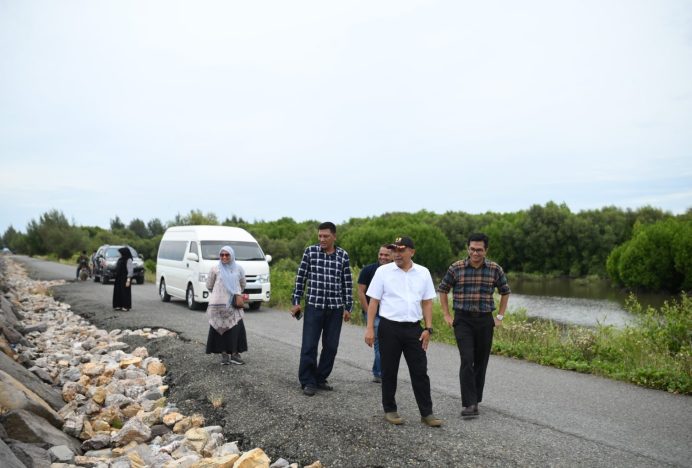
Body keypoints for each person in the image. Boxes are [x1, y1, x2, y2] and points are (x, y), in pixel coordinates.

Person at [364, 236, 442, 427]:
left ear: (411, 252)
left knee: (420, 371)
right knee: (389, 370)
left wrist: (428, 328)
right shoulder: (383, 272)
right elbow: (373, 302)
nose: (397, 254)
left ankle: (427, 413)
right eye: (395, 250)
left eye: (401, 250)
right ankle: (390, 410)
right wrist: (369, 329)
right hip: (389, 327)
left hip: (414, 329)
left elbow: (427, 302)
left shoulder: (423, 273)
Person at [437, 232, 510, 419]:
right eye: (472, 249)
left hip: (485, 320)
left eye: (479, 250)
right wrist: (446, 314)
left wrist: (500, 316)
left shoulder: (495, 269)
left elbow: (505, 292)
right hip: (462, 320)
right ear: (467, 248)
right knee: (467, 359)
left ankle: (475, 399)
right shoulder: (457, 268)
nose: (475, 253)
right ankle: (469, 404)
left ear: (486, 250)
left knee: (481, 361)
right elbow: (443, 290)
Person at [291, 221, 353, 396]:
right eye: (320, 236)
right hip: (314, 307)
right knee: (309, 345)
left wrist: (348, 307)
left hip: (335, 309)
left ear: (334, 236)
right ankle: (307, 381)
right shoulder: (310, 252)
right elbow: (300, 278)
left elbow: (347, 283)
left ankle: (320, 377)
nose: (322, 239)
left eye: (326, 236)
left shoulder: (343, 255)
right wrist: (296, 301)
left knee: (331, 346)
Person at [205, 246, 248, 365]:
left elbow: (243, 284)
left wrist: (234, 292)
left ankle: (234, 354)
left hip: (233, 305)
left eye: (227, 255)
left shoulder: (238, 269)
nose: (224, 257)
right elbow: (209, 285)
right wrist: (220, 293)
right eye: (222, 255)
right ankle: (224, 355)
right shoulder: (215, 269)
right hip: (218, 306)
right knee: (220, 331)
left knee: (235, 329)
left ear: (232, 255)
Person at [357, 244, 392, 383]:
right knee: (380, 344)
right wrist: (368, 313)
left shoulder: (395, 271)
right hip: (373, 314)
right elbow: (361, 292)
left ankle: (378, 371)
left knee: (387, 344)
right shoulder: (368, 270)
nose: (383, 257)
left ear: (392, 256)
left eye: (386, 255)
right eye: (381, 254)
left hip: (389, 315)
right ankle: (380, 373)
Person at [112, 247, 133, 311]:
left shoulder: (128, 260)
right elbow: (115, 267)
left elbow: (130, 271)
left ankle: (126, 306)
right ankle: (118, 305)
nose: (120, 254)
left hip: (125, 278)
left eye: (120, 253)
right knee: (118, 291)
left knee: (125, 292)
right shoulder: (120, 259)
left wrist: (128, 280)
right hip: (118, 278)